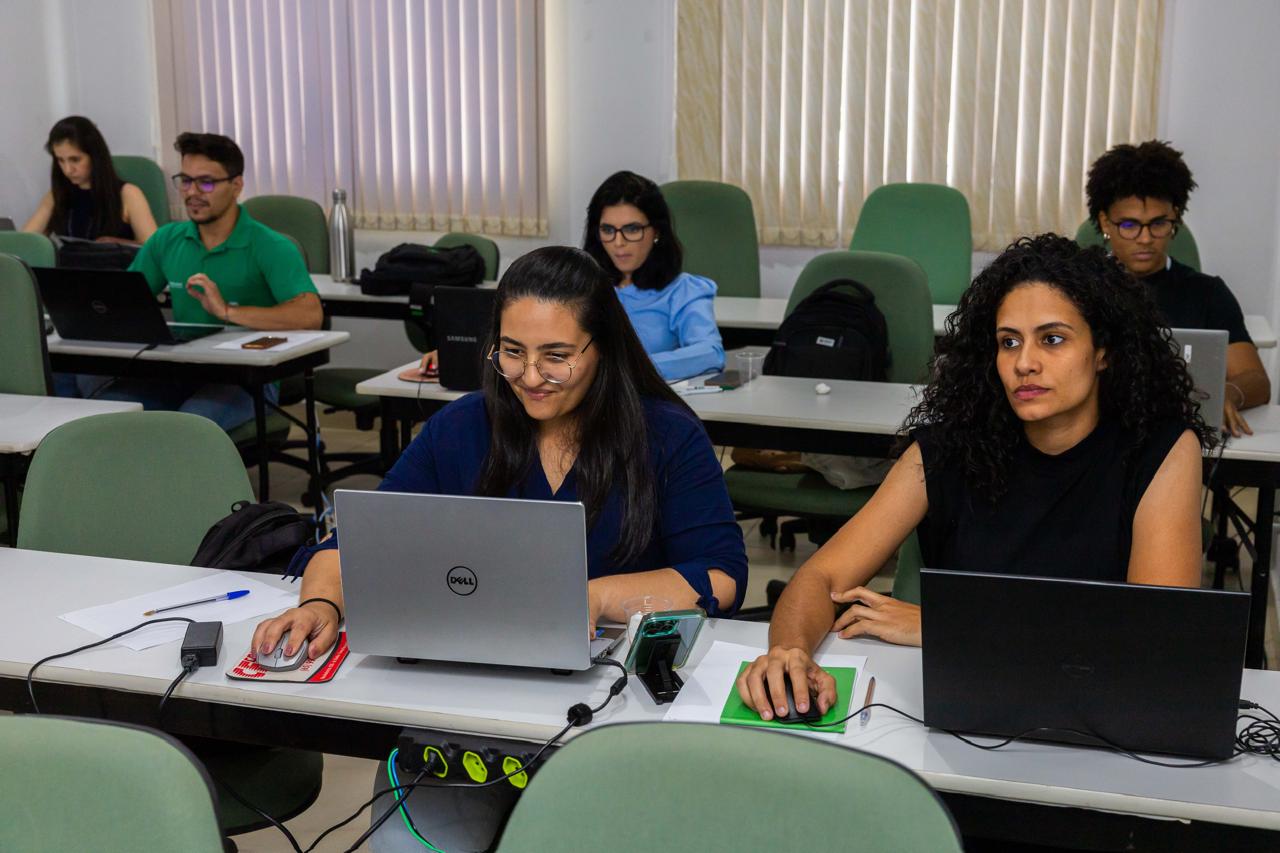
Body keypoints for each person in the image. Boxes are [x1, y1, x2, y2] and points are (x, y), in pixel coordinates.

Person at [736, 234, 1214, 721]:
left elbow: (1154, 637)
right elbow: (821, 577)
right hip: (966, 709)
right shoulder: (950, 447)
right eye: (1009, 342)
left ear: (1103, 351)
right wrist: (788, 652)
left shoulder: (1161, 450)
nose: (1024, 363)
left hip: (1101, 715)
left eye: (1052, 339)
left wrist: (949, 627)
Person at [253, 246, 747, 661]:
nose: (530, 377)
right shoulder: (462, 427)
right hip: (477, 666)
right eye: (512, 352)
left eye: (556, 356)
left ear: (603, 349)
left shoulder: (666, 435)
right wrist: (320, 605)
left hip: (615, 676)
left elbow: (721, 576)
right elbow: (359, 541)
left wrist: (591, 598)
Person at [70, 132, 323, 431]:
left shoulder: (270, 245)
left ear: (236, 186)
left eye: (206, 182)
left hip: (247, 379)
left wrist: (227, 312)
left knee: (189, 428)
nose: (192, 192)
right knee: (106, 415)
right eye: (186, 181)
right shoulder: (167, 239)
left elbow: (310, 315)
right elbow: (122, 301)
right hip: (181, 371)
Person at [1086, 139, 1270, 437]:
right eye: (1129, 225)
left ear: (1176, 219)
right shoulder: (1081, 288)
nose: (1145, 238)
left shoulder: (1207, 293)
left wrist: (1228, 393)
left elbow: (1257, 380)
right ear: (1105, 223)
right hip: (1096, 436)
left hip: (1179, 437)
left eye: (1158, 224)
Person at [582, 171, 725, 381]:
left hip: (646, 395)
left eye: (632, 229)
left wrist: (629, 368)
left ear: (656, 231)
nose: (619, 242)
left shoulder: (682, 290)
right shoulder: (584, 287)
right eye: (608, 230)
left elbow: (710, 354)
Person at [22, 115, 157, 243]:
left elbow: (155, 249)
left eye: (75, 160)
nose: (68, 170)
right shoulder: (56, 195)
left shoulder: (129, 194)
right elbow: (26, 242)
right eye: (60, 160)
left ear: (95, 156)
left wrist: (116, 243)